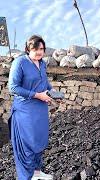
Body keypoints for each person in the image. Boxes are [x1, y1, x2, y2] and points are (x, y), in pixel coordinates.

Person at [8, 35, 53, 180]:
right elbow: (13, 87)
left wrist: (51, 93)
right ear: (28, 48)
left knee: (40, 140)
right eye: (36, 49)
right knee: (27, 143)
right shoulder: (19, 62)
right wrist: (37, 95)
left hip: (40, 109)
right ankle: (26, 176)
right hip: (25, 110)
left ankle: (37, 172)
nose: (39, 52)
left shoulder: (43, 63)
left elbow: (44, 82)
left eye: (42, 49)